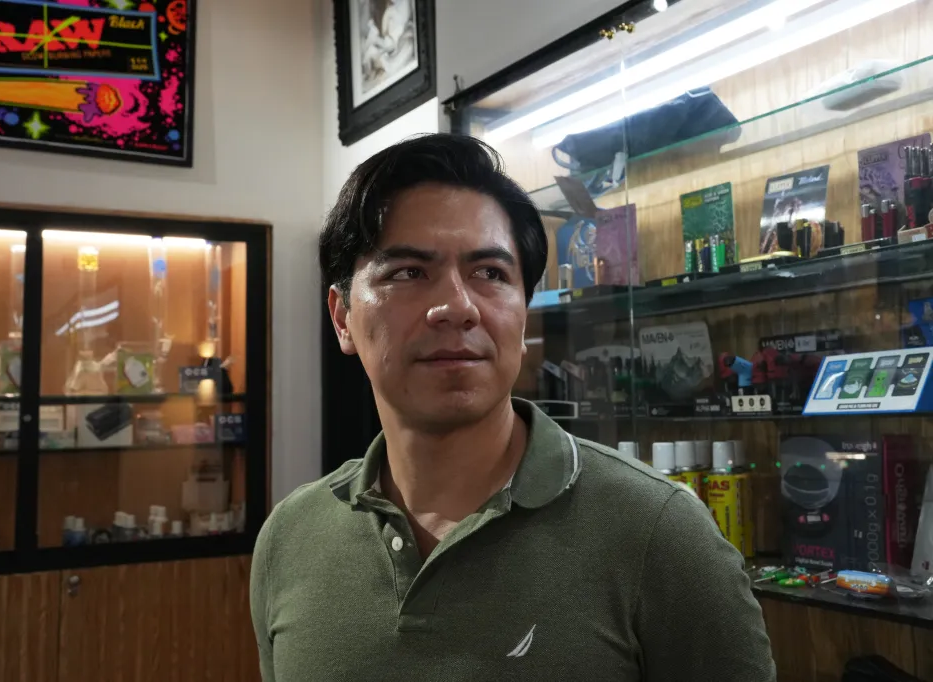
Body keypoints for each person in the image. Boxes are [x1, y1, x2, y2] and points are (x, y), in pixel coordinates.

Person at [250, 133, 776, 682]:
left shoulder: (660, 532)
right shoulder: (290, 537)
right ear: (342, 317)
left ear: (524, 313)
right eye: (407, 272)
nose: (457, 306)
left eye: (491, 274)